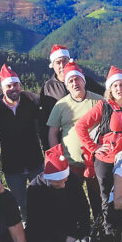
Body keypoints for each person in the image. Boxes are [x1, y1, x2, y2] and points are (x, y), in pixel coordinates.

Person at [74, 66, 122, 230]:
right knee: (106, 196)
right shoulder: (103, 107)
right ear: (110, 89)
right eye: (115, 85)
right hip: (106, 159)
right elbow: (80, 126)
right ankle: (109, 228)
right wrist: (93, 147)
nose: (119, 88)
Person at [0, 64, 44, 222]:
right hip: (13, 167)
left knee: (41, 200)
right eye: (9, 85)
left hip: (35, 162)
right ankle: (26, 231)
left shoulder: (30, 102)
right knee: (20, 204)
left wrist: (31, 94)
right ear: (2, 88)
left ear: (20, 85)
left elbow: (46, 103)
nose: (13, 88)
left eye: (16, 85)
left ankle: (44, 229)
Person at [46, 61, 102, 217]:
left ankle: (101, 228)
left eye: (77, 79)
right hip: (71, 163)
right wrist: (57, 157)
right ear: (67, 85)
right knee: (74, 200)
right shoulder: (60, 105)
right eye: (70, 81)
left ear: (83, 81)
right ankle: (81, 230)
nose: (74, 83)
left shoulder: (98, 101)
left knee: (97, 198)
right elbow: (52, 132)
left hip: (95, 161)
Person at [25, 144, 91, 242]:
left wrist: (84, 234)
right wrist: (64, 239)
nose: (63, 185)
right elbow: (37, 225)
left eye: (64, 180)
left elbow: (84, 209)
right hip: (47, 235)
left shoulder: (72, 180)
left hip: (72, 229)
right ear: (48, 178)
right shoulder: (35, 190)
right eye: (58, 183)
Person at [39, 45, 103, 130]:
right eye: (58, 62)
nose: (62, 65)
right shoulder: (48, 88)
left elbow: (105, 95)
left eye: (64, 60)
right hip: (62, 137)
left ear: (69, 61)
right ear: (53, 66)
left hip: (90, 133)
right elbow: (44, 118)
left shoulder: (85, 80)